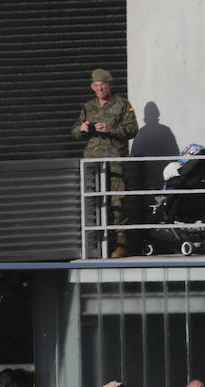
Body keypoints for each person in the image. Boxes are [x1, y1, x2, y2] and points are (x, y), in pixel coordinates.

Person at [73, 68, 139, 257]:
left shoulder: (122, 104)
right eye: (97, 85)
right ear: (92, 87)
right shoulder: (88, 107)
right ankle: (94, 245)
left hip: (114, 160)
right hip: (93, 161)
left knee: (117, 202)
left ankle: (121, 244)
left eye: (104, 85)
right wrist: (83, 128)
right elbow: (75, 132)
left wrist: (111, 129)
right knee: (92, 201)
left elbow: (133, 129)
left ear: (110, 85)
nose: (100, 88)